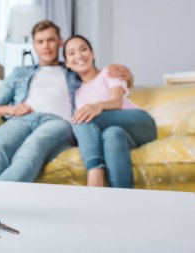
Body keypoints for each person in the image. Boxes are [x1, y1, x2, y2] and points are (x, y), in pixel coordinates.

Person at [0, 20, 132, 182]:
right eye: (40, 41)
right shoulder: (20, 73)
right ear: (34, 45)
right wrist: (10, 109)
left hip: (57, 122)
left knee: (31, 150)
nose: (46, 46)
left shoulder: (73, 70)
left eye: (51, 40)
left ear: (60, 42)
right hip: (21, 119)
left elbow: (99, 79)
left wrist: (126, 74)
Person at [63, 35, 157, 188]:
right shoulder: (77, 93)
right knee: (112, 135)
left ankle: (95, 174)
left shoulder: (108, 73)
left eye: (83, 49)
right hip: (119, 132)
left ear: (93, 54)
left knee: (82, 117)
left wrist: (97, 106)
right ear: (67, 63)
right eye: (71, 53)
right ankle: (121, 201)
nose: (79, 55)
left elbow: (117, 101)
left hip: (139, 122)